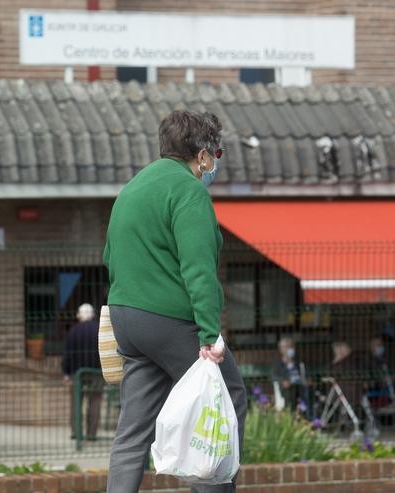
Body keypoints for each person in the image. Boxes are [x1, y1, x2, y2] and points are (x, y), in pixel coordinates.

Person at [103, 110, 248, 493]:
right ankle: (213, 484)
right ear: (202, 155)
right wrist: (209, 334)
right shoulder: (188, 190)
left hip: (127, 320)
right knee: (223, 398)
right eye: (215, 153)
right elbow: (198, 268)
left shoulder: (134, 186)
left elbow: (109, 256)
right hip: (169, 319)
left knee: (133, 429)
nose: (215, 162)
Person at [62, 303, 103, 441]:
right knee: (95, 401)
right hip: (96, 371)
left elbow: (68, 354)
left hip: (77, 372)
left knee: (76, 402)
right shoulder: (99, 329)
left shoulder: (73, 331)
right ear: (92, 315)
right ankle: (91, 434)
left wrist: (66, 372)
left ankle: (76, 432)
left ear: (79, 315)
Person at [271, 337, 311, 418]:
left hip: (301, 387)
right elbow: (273, 376)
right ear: (281, 349)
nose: (290, 349)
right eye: (287, 347)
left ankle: (307, 417)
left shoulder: (299, 363)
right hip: (287, 390)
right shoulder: (278, 364)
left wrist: (307, 380)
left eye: (291, 346)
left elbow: (305, 375)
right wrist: (282, 381)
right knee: (290, 393)